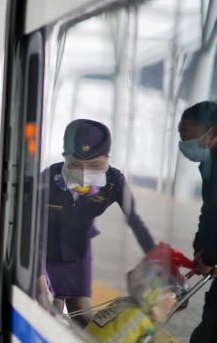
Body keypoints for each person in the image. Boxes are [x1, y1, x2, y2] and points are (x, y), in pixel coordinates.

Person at [39, 119, 155, 325]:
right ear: (65, 156)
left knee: (84, 315)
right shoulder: (48, 178)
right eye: (75, 164)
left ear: (106, 159)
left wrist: (158, 258)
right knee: (50, 311)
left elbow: (135, 220)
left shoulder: (113, 182)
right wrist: (39, 277)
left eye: (94, 165)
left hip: (77, 252)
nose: (84, 172)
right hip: (44, 251)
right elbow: (30, 229)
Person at [178, 101, 217, 343]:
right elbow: (210, 212)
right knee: (206, 339)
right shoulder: (210, 163)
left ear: (212, 131)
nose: (184, 144)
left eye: (187, 134)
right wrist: (200, 252)